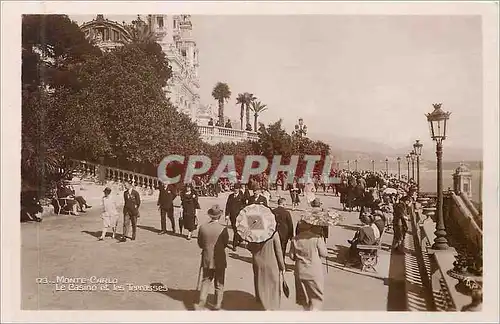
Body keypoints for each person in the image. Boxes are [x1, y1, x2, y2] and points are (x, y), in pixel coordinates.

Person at [195, 205, 229, 311]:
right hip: (219, 259)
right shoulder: (223, 229)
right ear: (219, 216)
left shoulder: (203, 227)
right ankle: (218, 303)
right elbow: (225, 243)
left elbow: (200, 243)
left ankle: (202, 301)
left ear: (210, 216)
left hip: (206, 258)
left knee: (205, 280)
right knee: (219, 282)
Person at [291, 221, 328, 311]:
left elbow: (292, 256)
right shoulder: (316, 238)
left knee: (303, 299)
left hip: (300, 271)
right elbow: (324, 254)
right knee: (316, 299)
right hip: (314, 272)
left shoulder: (295, 239)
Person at [247, 232, 285, 310]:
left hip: (258, 262)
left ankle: (261, 301)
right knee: (273, 284)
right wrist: (282, 266)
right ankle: (272, 305)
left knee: (260, 281)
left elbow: (249, 247)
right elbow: (278, 251)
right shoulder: (274, 234)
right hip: (271, 263)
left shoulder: (254, 233)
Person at [225, 184, 245, 251]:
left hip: (239, 217)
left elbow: (245, 205)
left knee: (236, 230)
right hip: (232, 217)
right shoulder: (230, 196)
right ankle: (240, 239)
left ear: (239, 189)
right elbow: (227, 206)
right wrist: (227, 215)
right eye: (234, 189)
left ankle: (234, 245)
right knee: (235, 229)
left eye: (237, 188)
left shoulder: (242, 197)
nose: (235, 190)